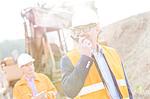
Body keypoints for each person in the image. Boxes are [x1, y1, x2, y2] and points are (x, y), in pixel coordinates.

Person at [60, 7, 133, 99]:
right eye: (78, 30)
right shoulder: (68, 59)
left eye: (86, 28)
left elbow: (126, 87)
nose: (82, 34)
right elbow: (70, 91)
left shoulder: (112, 53)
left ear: (97, 28)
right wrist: (85, 58)